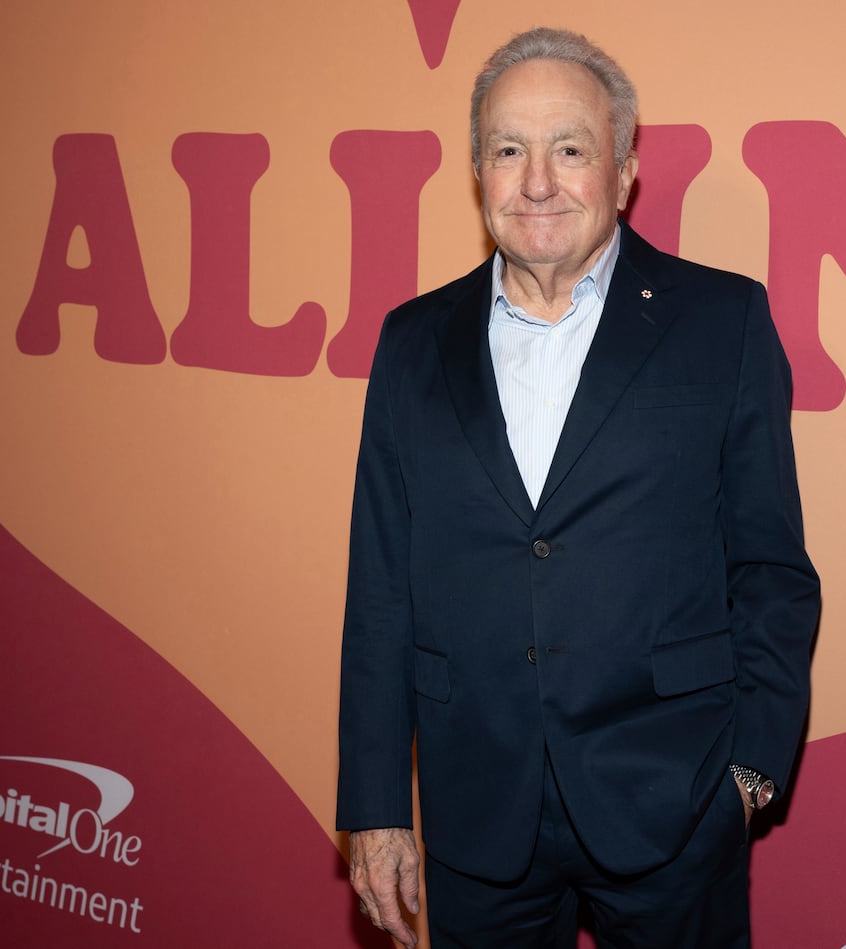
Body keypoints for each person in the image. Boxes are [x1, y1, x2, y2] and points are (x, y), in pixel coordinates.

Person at [336, 26, 820, 948]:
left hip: (674, 801)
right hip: (477, 807)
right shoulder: (411, 341)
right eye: (509, 150)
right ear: (478, 170)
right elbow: (381, 589)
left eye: (570, 149)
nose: (538, 182)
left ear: (625, 165)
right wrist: (375, 803)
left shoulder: (724, 322)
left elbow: (770, 568)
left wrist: (751, 771)